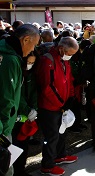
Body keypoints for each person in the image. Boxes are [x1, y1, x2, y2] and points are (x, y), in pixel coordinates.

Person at [0, 24, 40, 176]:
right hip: (3, 128)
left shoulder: (7, 53)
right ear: (26, 39)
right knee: (5, 168)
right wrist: (4, 130)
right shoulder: (10, 60)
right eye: (33, 45)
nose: (32, 50)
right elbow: (6, 98)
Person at [37, 36, 79, 176]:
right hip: (50, 107)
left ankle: (60, 155)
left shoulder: (64, 60)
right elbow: (47, 87)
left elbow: (69, 79)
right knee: (51, 136)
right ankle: (47, 165)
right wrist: (61, 103)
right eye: (70, 54)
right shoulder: (47, 60)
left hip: (62, 105)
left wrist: (71, 97)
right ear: (61, 49)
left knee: (62, 132)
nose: (71, 57)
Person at [12, 52, 38, 176]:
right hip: (16, 115)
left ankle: (21, 170)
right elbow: (17, 95)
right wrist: (27, 110)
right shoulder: (16, 72)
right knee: (14, 145)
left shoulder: (31, 75)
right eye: (28, 62)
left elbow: (34, 92)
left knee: (24, 145)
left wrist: (34, 108)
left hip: (27, 116)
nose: (30, 65)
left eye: (32, 63)